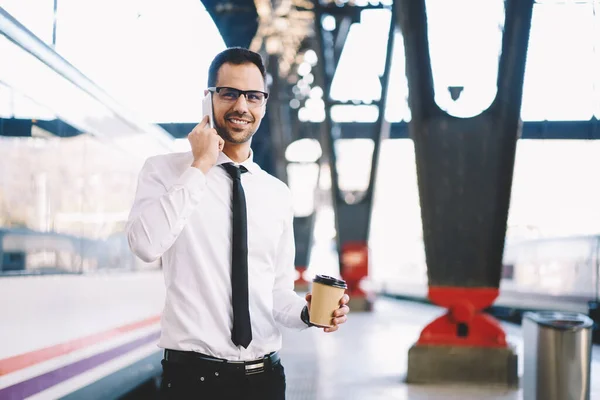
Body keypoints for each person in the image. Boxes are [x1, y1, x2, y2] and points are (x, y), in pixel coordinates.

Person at [126, 47, 350, 399]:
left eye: (253, 96)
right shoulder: (164, 171)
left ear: (263, 104)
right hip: (191, 382)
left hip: (265, 380)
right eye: (228, 93)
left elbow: (276, 294)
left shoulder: (276, 193)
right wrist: (200, 165)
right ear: (208, 99)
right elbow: (144, 244)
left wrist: (308, 314)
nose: (241, 107)